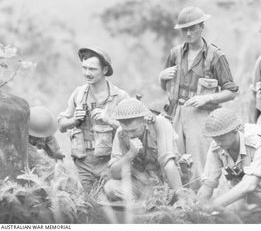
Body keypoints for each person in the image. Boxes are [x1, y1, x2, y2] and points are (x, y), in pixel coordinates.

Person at [159, 6, 238, 189]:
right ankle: (180, 203)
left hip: (201, 116)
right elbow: (166, 86)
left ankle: (203, 205)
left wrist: (207, 99)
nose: (188, 33)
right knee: (176, 160)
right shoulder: (175, 53)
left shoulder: (215, 56)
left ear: (202, 26)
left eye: (192, 28)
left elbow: (231, 91)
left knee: (201, 164)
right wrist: (161, 77)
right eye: (184, 29)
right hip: (176, 112)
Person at [58, 46, 129, 193]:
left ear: (104, 70)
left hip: (109, 163)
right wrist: (74, 120)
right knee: (85, 204)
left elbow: (133, 130)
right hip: (82, 164)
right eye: (84, 68)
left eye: (92, 69)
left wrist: (109, 120)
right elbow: (61, 125)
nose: (87, 73)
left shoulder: (120, 97)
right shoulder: (78, 93)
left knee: (108, 204)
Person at [104, 98, 183, 202]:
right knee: (110, 187)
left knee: (177, 197)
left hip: (166, 184)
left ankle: (166, 201)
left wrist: (180, 196)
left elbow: (169, 164)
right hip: (142, 185)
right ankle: (138, 206)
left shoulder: (160, 124)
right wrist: (130, 155)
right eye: (126, 131)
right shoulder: (120, 133)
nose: (130, 135)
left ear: (144, 120)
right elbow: (114, 173)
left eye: (134, 130)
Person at [197, 108, 261, 209]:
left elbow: (249, 185)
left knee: (244, 187)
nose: (218, 143)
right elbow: (208, 185)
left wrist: (214, 205)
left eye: (222, 139)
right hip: (242, 193)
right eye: (215, 139)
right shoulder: (216, 147)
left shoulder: (260, 146)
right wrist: (197, 209)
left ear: (235, 131)